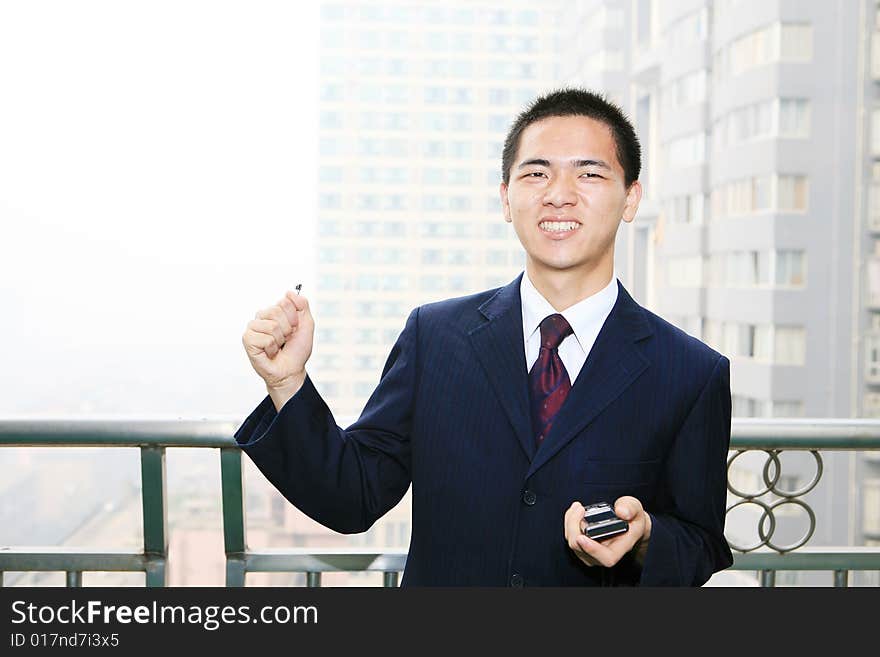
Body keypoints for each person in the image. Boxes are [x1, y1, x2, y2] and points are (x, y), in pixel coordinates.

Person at [235, 88, 733, 586]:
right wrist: (287, 383)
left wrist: (645, 539)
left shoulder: (691, 372)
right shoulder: (434, 338)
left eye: (589, 173)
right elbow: (351, 497)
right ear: (505, 198)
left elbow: (702, 543)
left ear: (631, 198)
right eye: (536, 173)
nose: (558, 193)